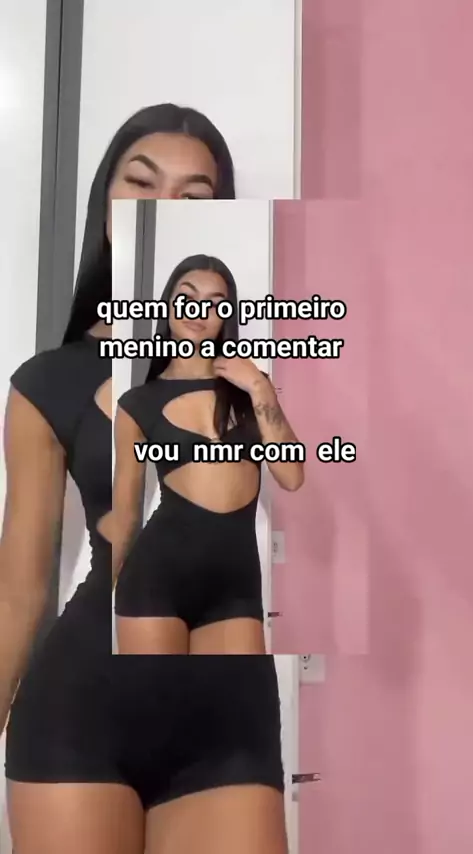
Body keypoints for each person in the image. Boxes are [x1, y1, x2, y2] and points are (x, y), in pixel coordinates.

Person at [0, 104, 289, 853]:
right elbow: (20, 590)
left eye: (195, 197)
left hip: (228, 720)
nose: (163, 207)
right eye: (141, 183)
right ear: (106, 206)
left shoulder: (259, 371)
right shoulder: (46, 381)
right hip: (81, 713)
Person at [113, 254, 305, 655]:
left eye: (216, 303)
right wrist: (99, 596)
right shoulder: (137, 404)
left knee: (234, 697)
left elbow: (292, 475)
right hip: (155, 582)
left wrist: (259, 387)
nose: (199, 311)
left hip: (235, 588)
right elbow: (126, 514)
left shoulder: (251, 389)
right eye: (187, 297)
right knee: (157, 698)